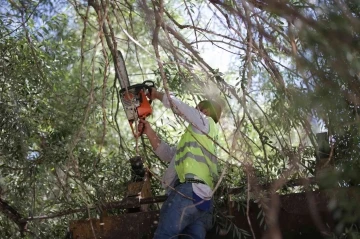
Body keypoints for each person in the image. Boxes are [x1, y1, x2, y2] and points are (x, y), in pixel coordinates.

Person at [138, 88, 222, 239]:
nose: (194, 112)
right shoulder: (198, 140)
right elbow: (168, 154)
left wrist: (157, 94)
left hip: (188, 192)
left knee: (164, 236)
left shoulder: (204, 122)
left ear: (206, 111)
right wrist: (149, 131)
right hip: (204, 201)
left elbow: (180, 108)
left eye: (197, 109)